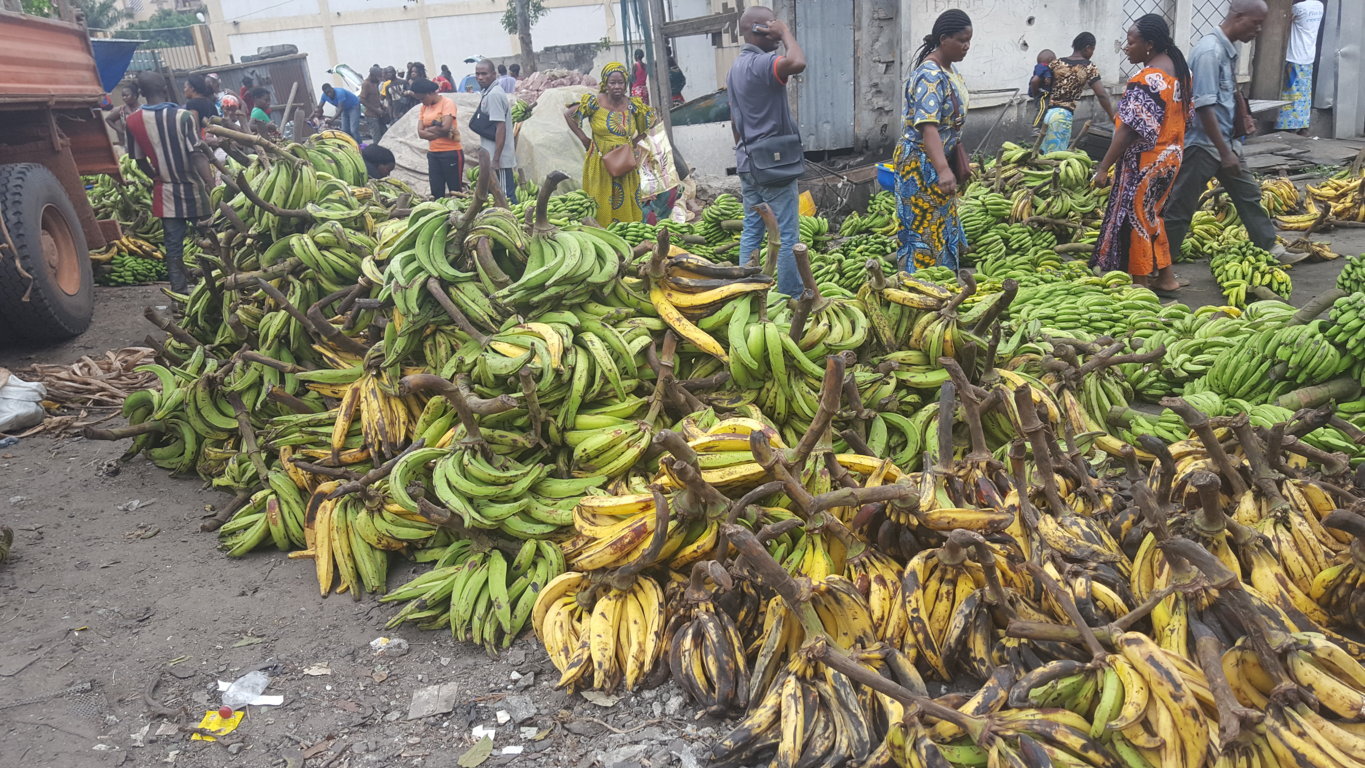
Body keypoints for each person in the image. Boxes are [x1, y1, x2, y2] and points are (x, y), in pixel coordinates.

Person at [1164, 0, 1300, 263]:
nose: (1259, 30)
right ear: (1238, 17)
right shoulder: (1209, 52)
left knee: (1249, 195)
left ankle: (1271, 249)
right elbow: (1204, 107)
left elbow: (1226, 96)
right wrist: (1225, 153)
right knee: (1181, 207)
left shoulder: (1227, 51)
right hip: (1203, 146)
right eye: (1256, 23)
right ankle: (1161, 266)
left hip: (1227, 143)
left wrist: (1243, 117)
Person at [1089, 15, 1190, 292]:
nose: (1125, 47)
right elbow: (1185, 117)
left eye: (1131, 42)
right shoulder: (1181, 72)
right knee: (1153, 214)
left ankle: (1141, 283)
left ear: (1149, 44)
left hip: (1145, 161)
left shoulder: (1147, 79)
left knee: (1137, 218)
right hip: (1171, 157)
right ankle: (1166, 278)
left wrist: (1103, 167)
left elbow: (1129, 130)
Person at [726, 6, 806, 295]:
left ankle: (746, 289)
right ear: (759, 29)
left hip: (748, 162)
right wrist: (785, 32)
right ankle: (789, 298)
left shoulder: (734, 68)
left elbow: (735, 121)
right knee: (786, 235)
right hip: (773, 167)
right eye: (771, 24)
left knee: (753, 229)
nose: (776, 29)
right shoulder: (762, 64)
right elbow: (798, 62)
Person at [893, 9, 972, 274]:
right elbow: (928, 126)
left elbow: (951, 120)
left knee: (940, 225)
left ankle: (942, 281)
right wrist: (942, 169)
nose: (966, 46)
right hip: (921, 164)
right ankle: (920, 286)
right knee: (924, 229)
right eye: (961, 40)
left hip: (938, 158)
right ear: (943, 39)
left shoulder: (948, 69)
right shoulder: (930, 74)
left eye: (969, 40)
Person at [123, 71, 213, 294]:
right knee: (211, 239)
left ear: (141, 93)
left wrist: (156, 175)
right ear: (165, 88)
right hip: (194, 190)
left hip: (165, 193)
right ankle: (217, 284)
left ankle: (178, 293)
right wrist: (213, 185)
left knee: (173, 247)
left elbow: (137, 159)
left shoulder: (132, 121)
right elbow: (197, 155)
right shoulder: (182, 117)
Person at [565, 62, 655, 227]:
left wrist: (633, 143)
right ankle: (602, 234)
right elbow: (569, 115)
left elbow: (650, 123)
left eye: (620, 83)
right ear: (605, 84)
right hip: (600, 161)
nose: (616, 87)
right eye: (612, 83)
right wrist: (584, 139)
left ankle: (627, 234)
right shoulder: (595, 102)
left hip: (624, 163)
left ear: (626, 84)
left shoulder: (633, 105)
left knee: (625, 199)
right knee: (601, 198)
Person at [1039, 33, 1116, 152]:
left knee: (1043, 153)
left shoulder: (1057, 63)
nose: (1092, 53)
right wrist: (1113, 117)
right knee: (1054, 160)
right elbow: (1101, 94)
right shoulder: (1088, 67)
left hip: (1047, 113)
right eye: (1093, 50)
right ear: (1088, 48)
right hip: (1062, 116)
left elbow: (1042, 81)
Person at [1275, 0, 1324, 133]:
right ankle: (1303, 126)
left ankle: (1288, 126)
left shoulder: (1298, 8)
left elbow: (1283, 20)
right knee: (1303, 94)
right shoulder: (1320, 6)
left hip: (1294, 56)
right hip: (1308, 56)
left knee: (1290, 92)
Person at [474, 60, 518, 203]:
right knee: (496, 197)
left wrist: (496, 159)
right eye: (477, 74)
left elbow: (501, 127)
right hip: (493, 156)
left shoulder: (494, 95)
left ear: (493, 74)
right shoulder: (488, 92)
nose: (480, 77)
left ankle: (514, 224)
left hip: (499, 159)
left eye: (484, 74)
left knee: (506, 197)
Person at [413, 78, 464, 197]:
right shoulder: (424, 107)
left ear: (430, 93)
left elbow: (446, 127)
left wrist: (428, 130)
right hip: (433, 153)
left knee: (455, 190)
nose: (422, 102)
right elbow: (420, 133)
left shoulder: (447, 103)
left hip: (451, 152)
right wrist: (438, 130)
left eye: (422, 98)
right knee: (436, 191)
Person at [360, 65, 388, 141]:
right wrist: (376, 110)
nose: (379, 79)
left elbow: (376, 97)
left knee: (386, 134)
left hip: (378, 115)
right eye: (378, 77)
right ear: (372, 75)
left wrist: (382, 106)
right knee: (377, 138)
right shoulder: (366, 84)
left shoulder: (375, 83)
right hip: (371, 116)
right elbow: (362, 99)